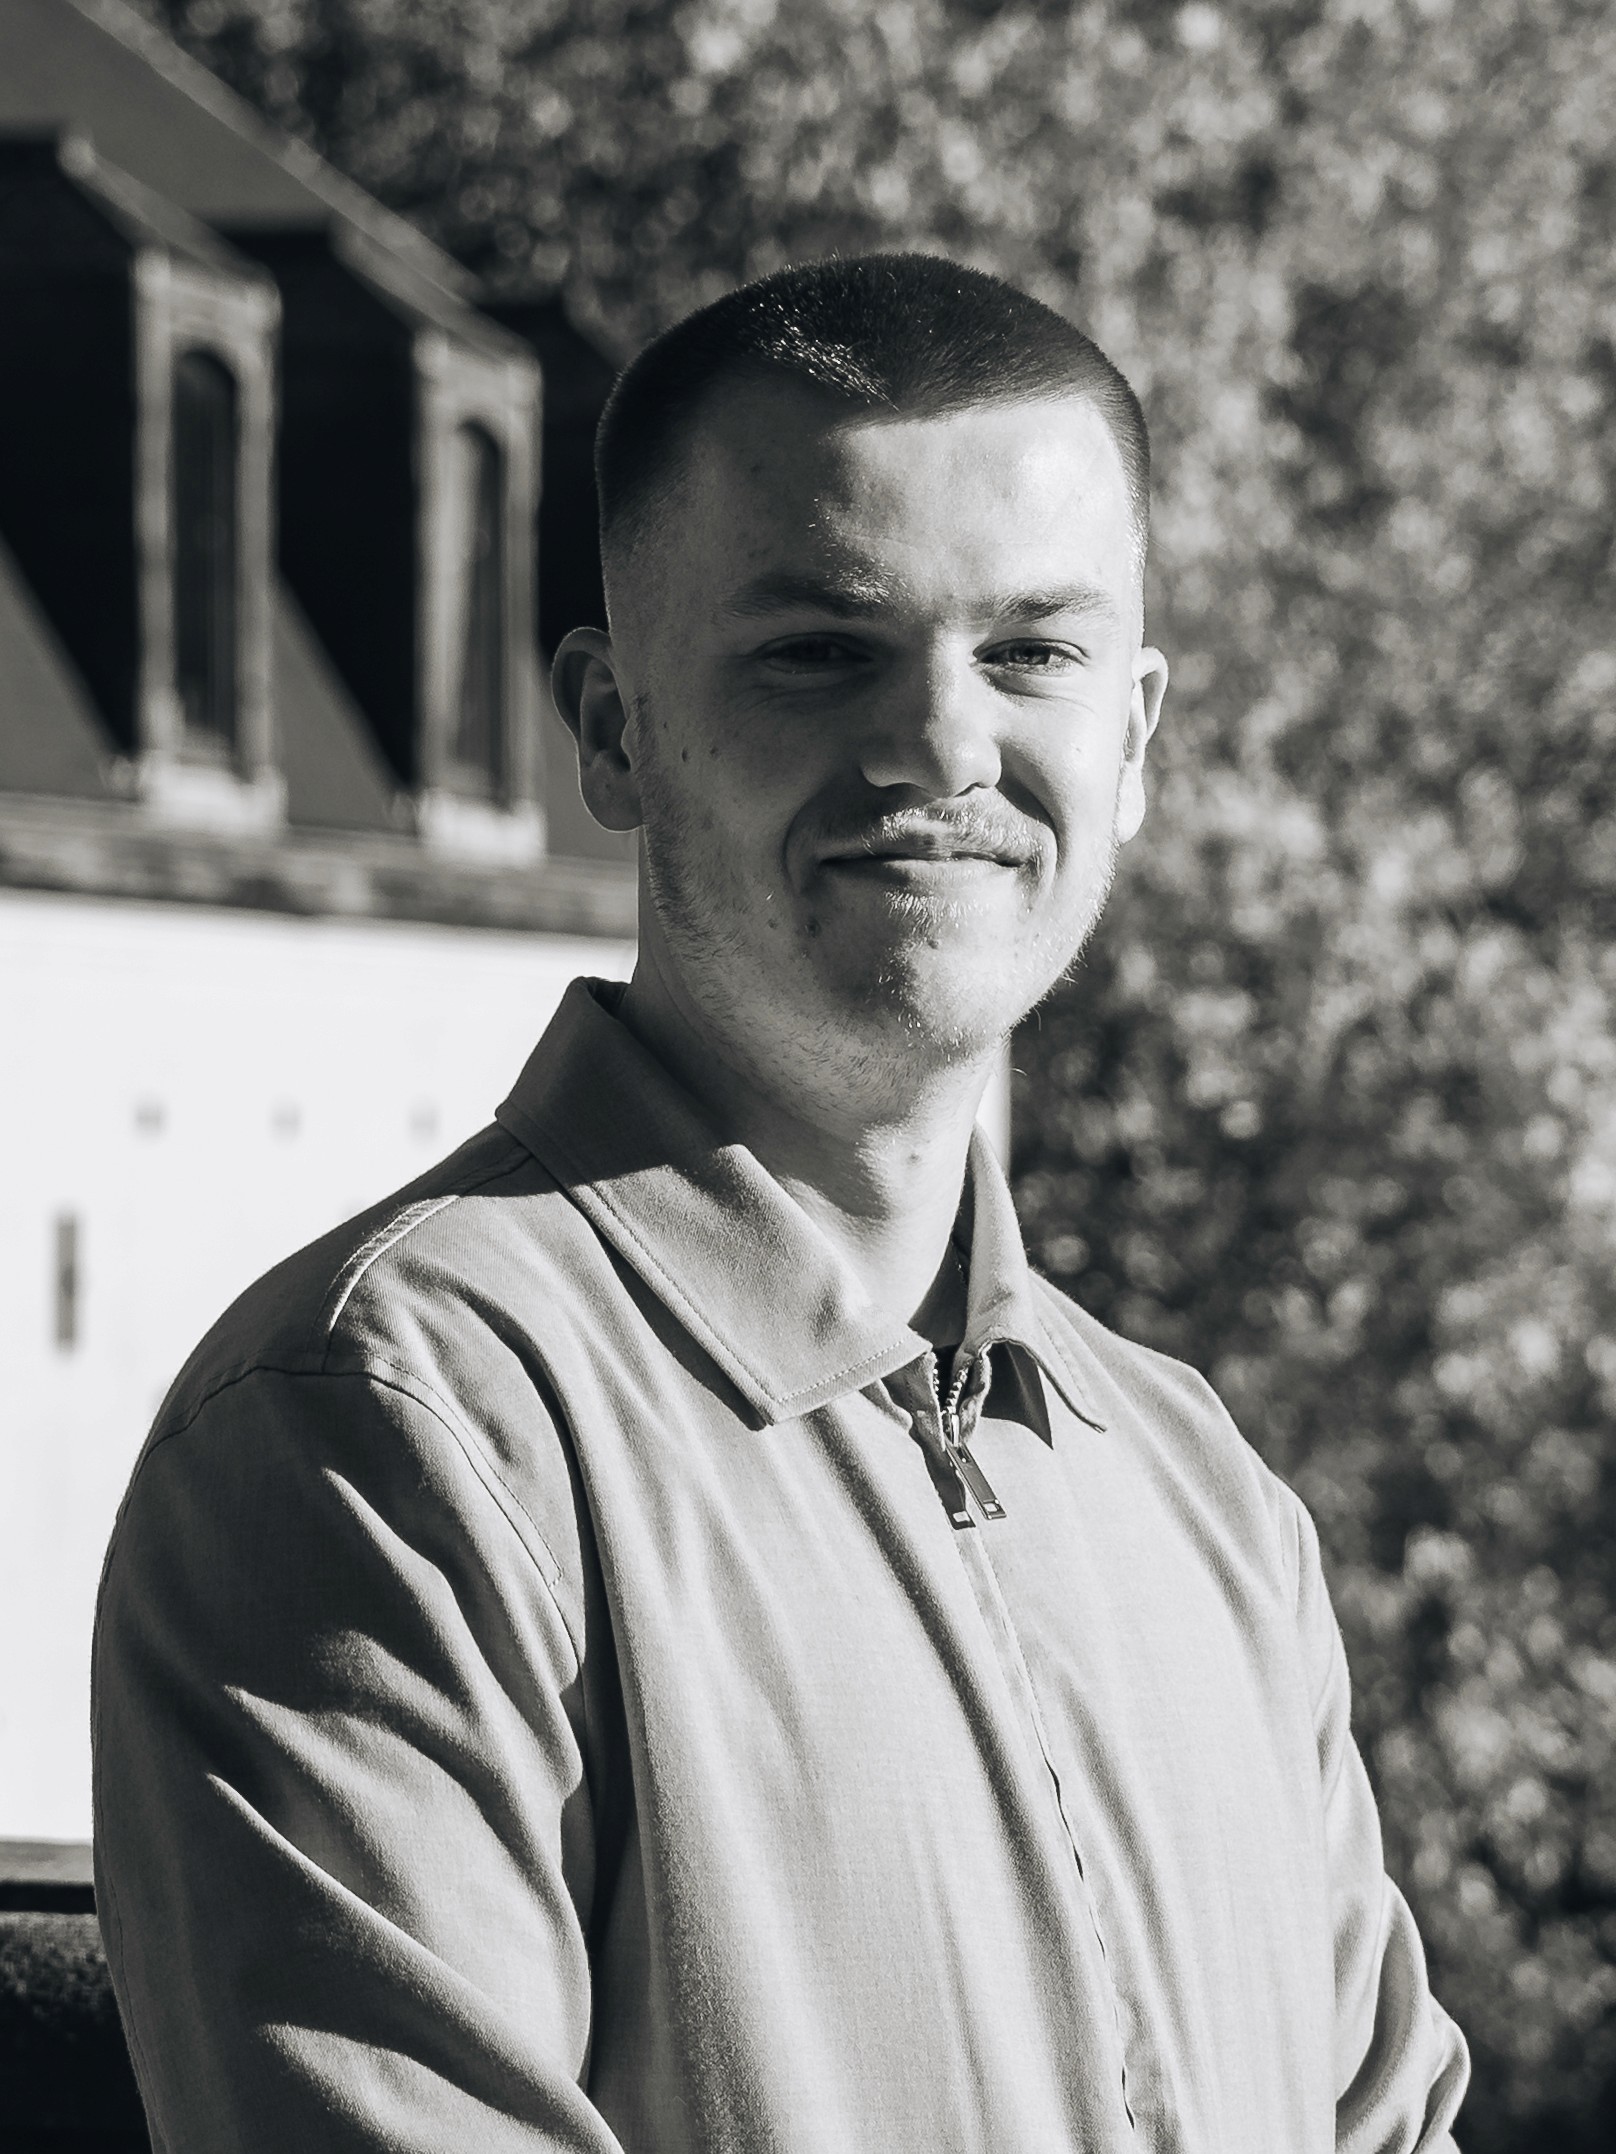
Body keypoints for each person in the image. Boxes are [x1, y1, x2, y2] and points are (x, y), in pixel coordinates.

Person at [93, 253, 1469, 2151]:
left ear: (1138, 736)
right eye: (819, 649)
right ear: (612, 727)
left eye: (1034, 652)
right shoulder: (388, 1441)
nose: (941, 744)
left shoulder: (1205, 1504)